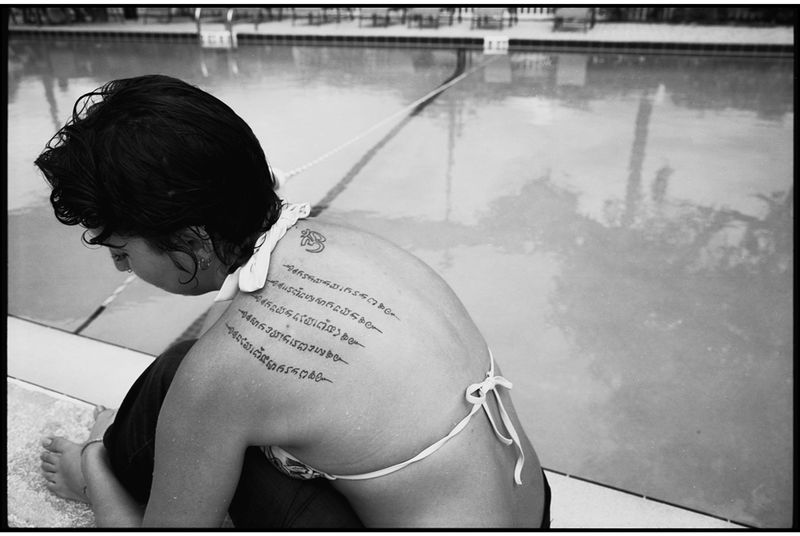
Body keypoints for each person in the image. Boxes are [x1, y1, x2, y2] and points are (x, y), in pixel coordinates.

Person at [35, 74, 550, 528]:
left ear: (191, 239)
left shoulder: (220, 375)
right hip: (533, 511)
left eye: (123, 253)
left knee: (189, 391)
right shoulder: (371, 251)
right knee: (184, 377)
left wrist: (98, 474)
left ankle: (99, 463)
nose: (121, 269)